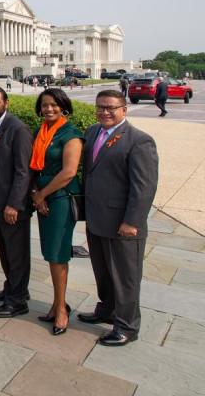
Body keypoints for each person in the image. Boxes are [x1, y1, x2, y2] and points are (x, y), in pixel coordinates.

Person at [78, 90, 158, 346]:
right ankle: (107, 310)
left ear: (124, 109)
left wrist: (132, 221)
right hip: (97, 218)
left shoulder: (139, 141)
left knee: (125, 277)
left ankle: (127, 326)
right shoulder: (92, 132)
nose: (105, 112)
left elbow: (144, 187)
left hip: (122, 223)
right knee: (102, 271)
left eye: (111, 108)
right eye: (101, 107)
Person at [29, 89, 83, 336]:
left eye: (53, 105)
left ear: (63, 107)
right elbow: (33, 166)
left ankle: (61, 308)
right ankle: (56, 302)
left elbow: (69, 172)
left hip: (60, 198)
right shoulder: (41, 132)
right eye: (45, 106)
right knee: (50, 254)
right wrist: (35, 193)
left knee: (58, 253)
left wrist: (42, 194)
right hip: (43, 197)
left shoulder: (70, 134)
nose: (48, 109)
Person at [0, 86, 33, 318]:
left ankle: (18, 300)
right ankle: (12, 287)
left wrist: (15, 204)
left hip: (11, 206)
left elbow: (24, 172)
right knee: (4, 251)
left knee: (17, 253)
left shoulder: (17, 129)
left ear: (6, 103)